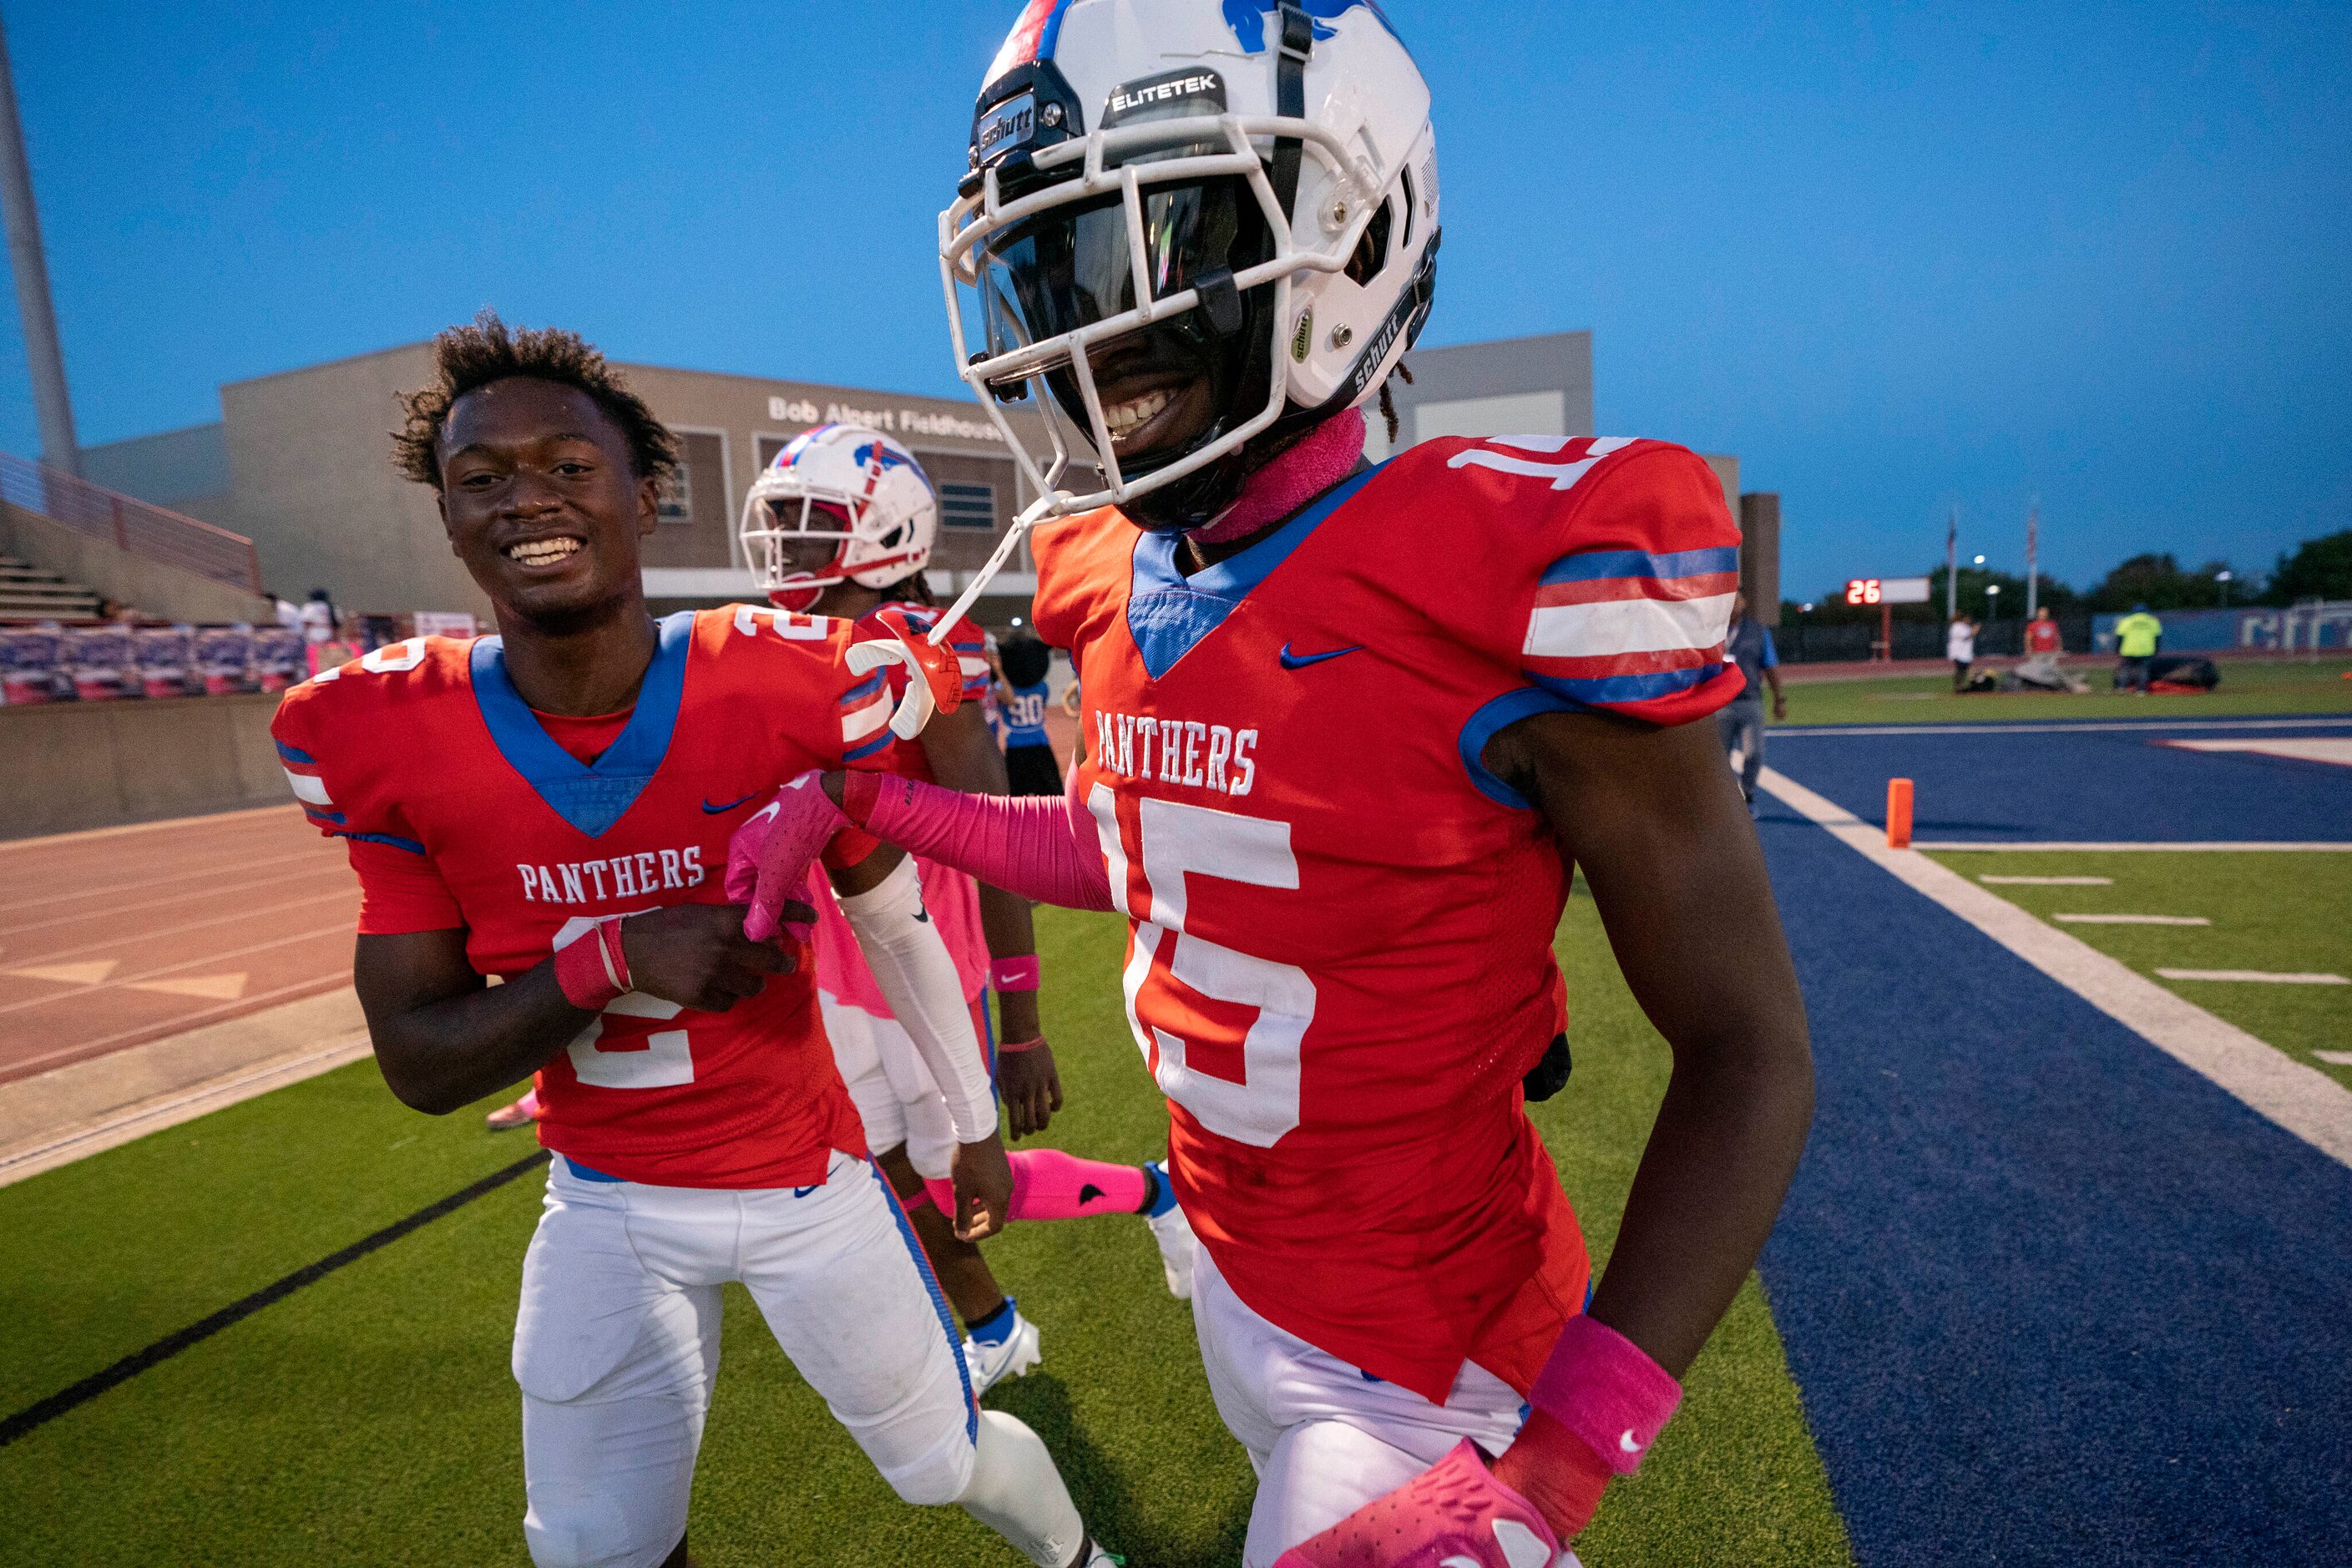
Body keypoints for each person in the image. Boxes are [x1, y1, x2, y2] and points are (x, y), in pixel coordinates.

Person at [740, 8, 1815, 1565]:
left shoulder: (1510, 564)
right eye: (1052, 269)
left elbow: (1751, 1052)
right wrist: (878, 807)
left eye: (1148, 245)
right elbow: (1142, 848)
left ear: (1345, 229)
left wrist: (1560, 1467)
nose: (1091, 329)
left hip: (1420, 1358)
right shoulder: (1111, 571)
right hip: (1240, 1272)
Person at [275, 314, 1115, 1568]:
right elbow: (421, 1061)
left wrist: (980, 1129)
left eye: (568, 465)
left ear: (644, 493)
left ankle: (1081, 1555)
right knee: (589, 1540)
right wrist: (609, 954)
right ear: (446, 518)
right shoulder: (379, 729)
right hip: (602, 1199)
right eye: (483, 478)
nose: (528, 501)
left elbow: (897, 923)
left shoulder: (785, 679)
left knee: (943, 1460)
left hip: (802, 1182)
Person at [734, 421, 1198, 1388]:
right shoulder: (771, 642)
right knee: (879, 1167)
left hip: (926, 951)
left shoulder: (924, 648)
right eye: (778, 523)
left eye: (809, 524)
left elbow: (997, 842)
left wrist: (1023, 1022)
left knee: (954, 1179)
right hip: (834, 961)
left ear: (885, 532)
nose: (785, 546)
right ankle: (992, 1329)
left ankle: (1154, 1196)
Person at [1717, 593, 1786, 808]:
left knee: (1754, 753)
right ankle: (1725, 804)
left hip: (1749, 701)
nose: (1734, 603)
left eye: (1738, 598)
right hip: (1720, 705)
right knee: (1720, 759)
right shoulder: (1712, 631)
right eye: (1730, 599)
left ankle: (1748, 795)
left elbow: (1771, 666)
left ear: (1745, 603)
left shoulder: (1757, 631)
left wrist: (1779, 699)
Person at [995, 629, 1065, 797]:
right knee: (1053, 794)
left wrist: (998, 670)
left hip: (1016, 748)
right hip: (1040, 745)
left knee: (1015, 798)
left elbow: (1003, 696)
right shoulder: (1042, 687)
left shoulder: (1002, 690)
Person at [2114, 602, 2162, 692]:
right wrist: (2156, 649)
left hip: (2128, 649)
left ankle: (2121, 688)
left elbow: (2120, 636)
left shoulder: (2127, 621)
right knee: (2143, 670)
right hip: (2146, 650)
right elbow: (2157, 637)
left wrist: (2117, 648)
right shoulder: (2153, 621)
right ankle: (2141, 690)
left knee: (2125, 669)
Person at [1947, 610, 1979, 691]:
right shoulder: (1957, 626)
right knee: (1960, 669)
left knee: (1964, 669)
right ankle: (1958, 686)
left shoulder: (1965, 627)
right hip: (1959, 652)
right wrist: (1974, 631)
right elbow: (1965, 637)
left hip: (1965, 652)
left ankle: (1960, 686)